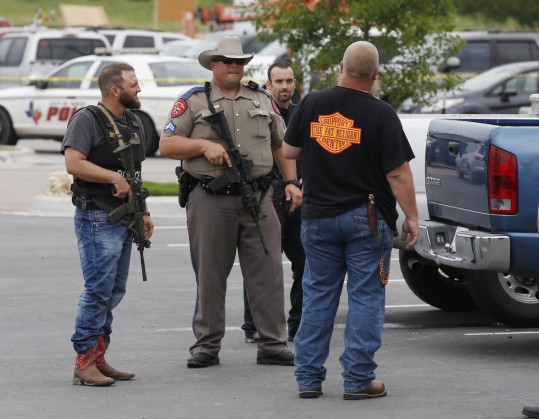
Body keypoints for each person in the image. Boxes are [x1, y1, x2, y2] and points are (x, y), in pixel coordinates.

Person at [283, 41, 419, 399]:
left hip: (317, 217)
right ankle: (359, 380)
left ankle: (308, 378)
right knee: (365, 297)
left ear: (340, 66)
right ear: (375, 75)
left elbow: (289, 151)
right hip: (366, 220)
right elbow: (399, 174)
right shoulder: (381, 113)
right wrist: (412, 217)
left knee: (317, 295)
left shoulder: (312, 102)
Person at [159, 36, 302, 368]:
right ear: (214, 64)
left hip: (261, 196)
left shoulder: (261, 99)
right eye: (228, 61)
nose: (235, 66)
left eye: (240, 62)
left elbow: (282, 146)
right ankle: (206, 345)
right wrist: (202, 147)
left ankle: (271, 343)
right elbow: (167, 145)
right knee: (211, 273)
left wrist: (292, 182)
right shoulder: (194, 101)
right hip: (210, 198)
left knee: (268, 273)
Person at [61, 63, 154, 386]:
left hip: (125, 218)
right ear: (115, 90)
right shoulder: (87, 119)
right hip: (97, 216)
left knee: (114, 290)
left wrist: (143, 211)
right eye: (134, 84)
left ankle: (99, 358)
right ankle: (83, 361)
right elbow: (73, 163)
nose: (139, 89)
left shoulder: (133, 122)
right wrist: (111, 176)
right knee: (98, 290)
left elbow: (135, 175)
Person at [242, 61, 305, 343]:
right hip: (266, 196)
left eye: (289, 81)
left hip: (298, 198)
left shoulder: (302, 114)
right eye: (278, 81)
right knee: (262, 262)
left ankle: (298, 323)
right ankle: (253, 325)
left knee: (304, 261)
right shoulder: (257, 111)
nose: (284, 87)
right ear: (268, 85)